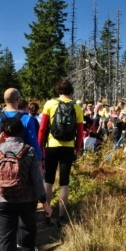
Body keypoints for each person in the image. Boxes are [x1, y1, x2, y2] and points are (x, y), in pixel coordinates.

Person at [0, 117, 52, 251]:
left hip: (2, 201)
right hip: (26, 201)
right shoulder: (29, 151)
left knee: (6, 241)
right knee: (28, 227)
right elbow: (37, 181)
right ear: (21, 132)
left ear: (4, 132)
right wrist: (45, 204)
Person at [37, 80, 83, 226]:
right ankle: (62, 217)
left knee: (49, 181)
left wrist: (40, 148)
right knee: (64, 183)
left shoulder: (50, 104)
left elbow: (43, 128)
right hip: (68, 147)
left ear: (58, 90)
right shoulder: (76, 107)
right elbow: (80, 133)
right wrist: (77, 150)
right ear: (71, 90)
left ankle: (47, 214)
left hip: (52, 145)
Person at [0, 89, 43, 171]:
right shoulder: (27, 119)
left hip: (1, 161)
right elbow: (33, 142)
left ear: (5, 100)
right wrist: (39, 162)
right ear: (18, 100)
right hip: (22, 162)